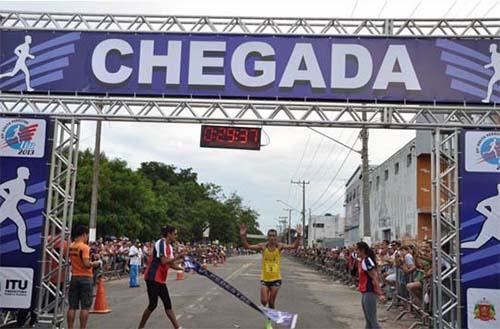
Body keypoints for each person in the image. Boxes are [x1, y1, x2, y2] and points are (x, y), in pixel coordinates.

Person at [239, 224, 301, 329]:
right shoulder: (263, 246)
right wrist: (243, 236)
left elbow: (294, 246)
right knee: (264, 301)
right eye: (270, 236)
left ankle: (268, 322)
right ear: (267, 237)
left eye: (274, 236)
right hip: (265, 278)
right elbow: (247, 246)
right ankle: (269, 314)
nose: (272, 238)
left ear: (276, 237)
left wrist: (299, 235)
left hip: (276, 279)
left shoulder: (279, 246)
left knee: (271, 302)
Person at [138, 226, 185, 329]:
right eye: (175, 234)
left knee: (167, 304)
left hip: (161, 278)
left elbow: (171, 264)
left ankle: (178, 327)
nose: (176, 236)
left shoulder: (170, 247)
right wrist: (178, 257)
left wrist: (183, 267)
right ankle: (140, 327)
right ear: (169, 234)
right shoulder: (161, 243)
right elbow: (164, 261)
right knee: (153, 304)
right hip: (153, 277)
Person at [67, 225, 102, 329]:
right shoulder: (84, 247)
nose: (87, 238)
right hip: (86, 278)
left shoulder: (71, 246)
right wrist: (95, 263)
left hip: (74, 276)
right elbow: (86, 264)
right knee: (85, 307)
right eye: (87, 235)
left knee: (72, 306)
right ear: (83, 234)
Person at [356, 241, 386, 329]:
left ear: (362, 250)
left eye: (357, 250)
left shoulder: (367, 261)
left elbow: (374, 277)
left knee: (373, 321)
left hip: (369, 291)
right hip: (365, 292)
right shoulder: (362, 261)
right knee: (368, 321)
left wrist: (380, 294)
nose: (356, 252)